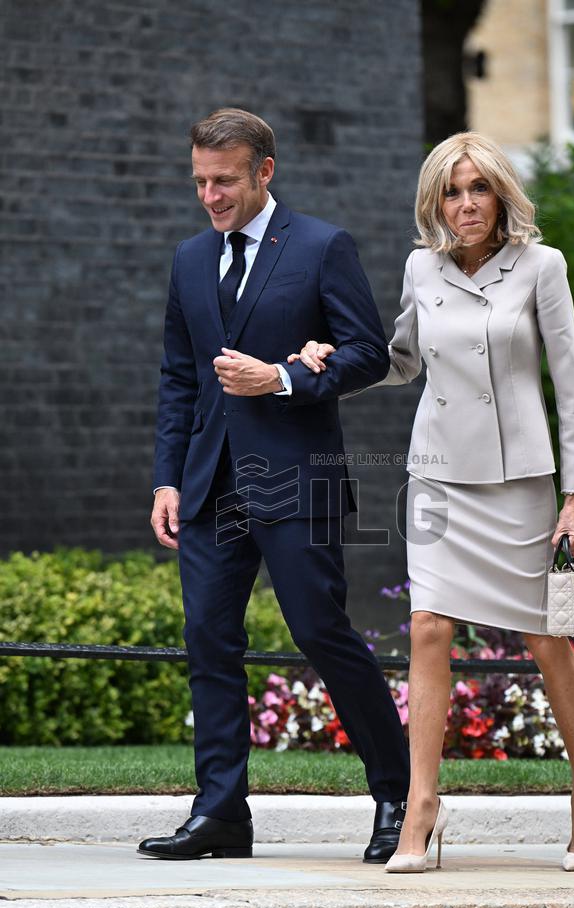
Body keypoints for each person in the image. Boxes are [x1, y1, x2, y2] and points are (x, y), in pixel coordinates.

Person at [289, 132, 574, 874]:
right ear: (435, 202)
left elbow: (571, 386)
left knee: (545, 641)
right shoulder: (419, 268)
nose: (466, 204)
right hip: (437, 473)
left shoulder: (542, 267)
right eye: (452, 192)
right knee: (428, 626)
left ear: (501, 195)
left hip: (520, 479)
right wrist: (329, 358)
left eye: (478, 189)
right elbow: (400, 359)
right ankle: (422, 806)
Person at [139, 108, 410, 863]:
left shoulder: (323, 246)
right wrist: (167, 478)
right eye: (199, 181)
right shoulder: (190, 259)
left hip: (297, 479)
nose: (210, 196)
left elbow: (366, 353)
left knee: (321, 633)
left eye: (223, 180)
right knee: (207, 641)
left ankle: (399, 796)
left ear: (265, 171)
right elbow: (178, 378)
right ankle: (220, 813)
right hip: (208, 485)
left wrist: (284, 377)